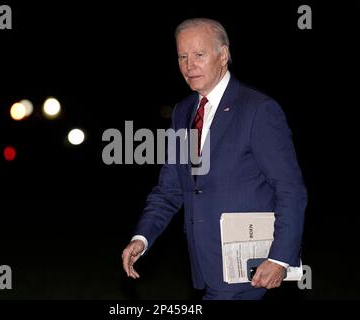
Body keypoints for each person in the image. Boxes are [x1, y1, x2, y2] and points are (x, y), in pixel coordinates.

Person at [121, 18, 307, 300]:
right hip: (206, 267)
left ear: (223, 55)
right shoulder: (183, 112)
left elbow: (290, 188)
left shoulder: (259, 110)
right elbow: (170, 188)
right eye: (182, 56)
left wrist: (279, 259)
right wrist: (142, 238)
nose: (188, 65)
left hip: (252, 269)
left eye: (199, 55)